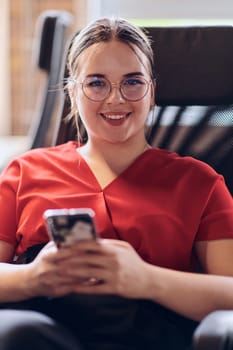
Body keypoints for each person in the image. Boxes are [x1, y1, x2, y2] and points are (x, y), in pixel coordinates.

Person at [0, 17, 232, 350]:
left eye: (132, 82)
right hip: (44, 327)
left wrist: (146, 280)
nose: (115, 99)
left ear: (152, 92)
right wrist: (34, 277)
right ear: (72, 93)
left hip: (147, 330)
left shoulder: (199, 183)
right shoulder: (26, 171)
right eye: (96, 83)